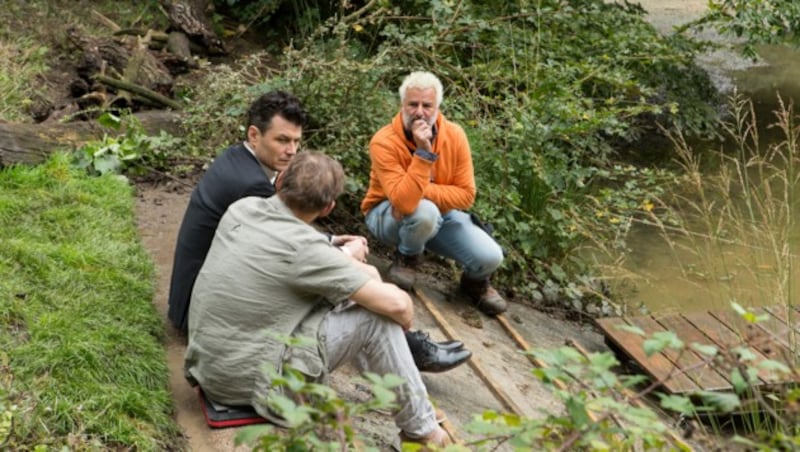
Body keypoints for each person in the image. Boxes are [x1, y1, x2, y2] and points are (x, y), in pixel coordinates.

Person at [167, 90, 471, 372]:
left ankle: (405, 345)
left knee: (352, 275)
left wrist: (329, 240)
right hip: (206, 312)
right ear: (254, 135)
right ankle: (408, 347)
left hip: (209, 293)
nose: (291, 151)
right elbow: (282, 251)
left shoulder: (238, 160)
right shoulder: (251, 186)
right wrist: (341, 254)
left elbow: (279, 234)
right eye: (282, 140)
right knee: (342, 283)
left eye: (296, 142)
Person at [185, 152, 452, 447]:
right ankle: (423, 431)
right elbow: (400, 307)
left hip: (209, 365)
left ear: (281, 180)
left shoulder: (242, 208)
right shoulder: (307, 251)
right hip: (249, 384)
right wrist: (361, 270)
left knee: (355, 295)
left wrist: (343, 255)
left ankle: (398, 397)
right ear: (328, 208)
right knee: (375, 317)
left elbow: (288, 246)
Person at [361, 71, 507, 315]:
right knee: (422, 212)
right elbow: (405, 205)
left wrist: (417, 192)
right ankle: (407, 257)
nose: (419, 112)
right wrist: (424, 154)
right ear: (402, 105)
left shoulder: (455, 135)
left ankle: (474, 283)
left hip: (437, 215)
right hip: (386, 215)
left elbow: (466, 195)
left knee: (491, 256)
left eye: (426, 105)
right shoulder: (383, 141)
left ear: (437, 107)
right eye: (413, 104)